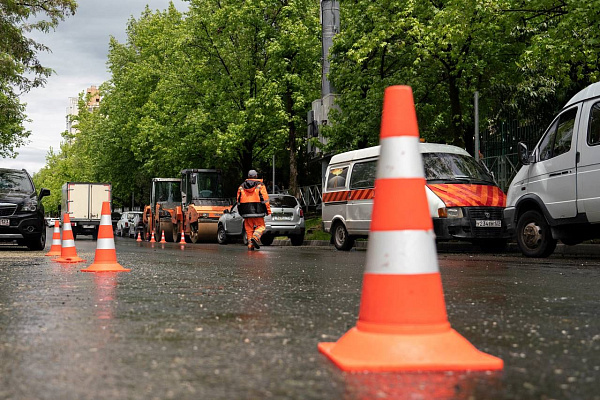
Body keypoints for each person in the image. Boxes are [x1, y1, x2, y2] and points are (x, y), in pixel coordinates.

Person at [237, 170, 271, 251]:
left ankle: (250, 244)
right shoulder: (260, 185)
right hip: (258, 210)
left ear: (248, 176)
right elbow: (265, 199)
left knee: (249, 229)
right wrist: (268, 211)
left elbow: (238, 201)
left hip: (246, 212)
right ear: (256, 176)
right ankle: (255, 237)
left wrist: (241, 212)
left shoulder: (241, 187)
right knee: (261, 226)